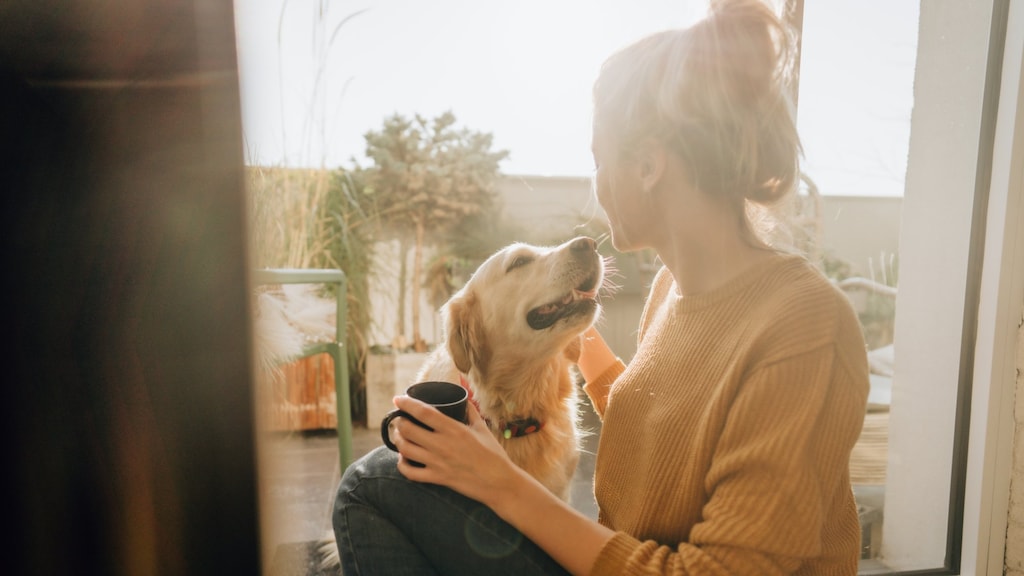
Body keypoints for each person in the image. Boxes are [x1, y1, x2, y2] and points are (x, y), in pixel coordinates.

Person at [331, 0, 870, 574]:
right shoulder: (673, 290)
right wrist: (561, 332)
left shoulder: (804, 324)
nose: (596, 183)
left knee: (367, 487)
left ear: (647, 166)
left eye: (598, 159)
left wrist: (499, 481)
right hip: (621, 557)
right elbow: (669, 431)